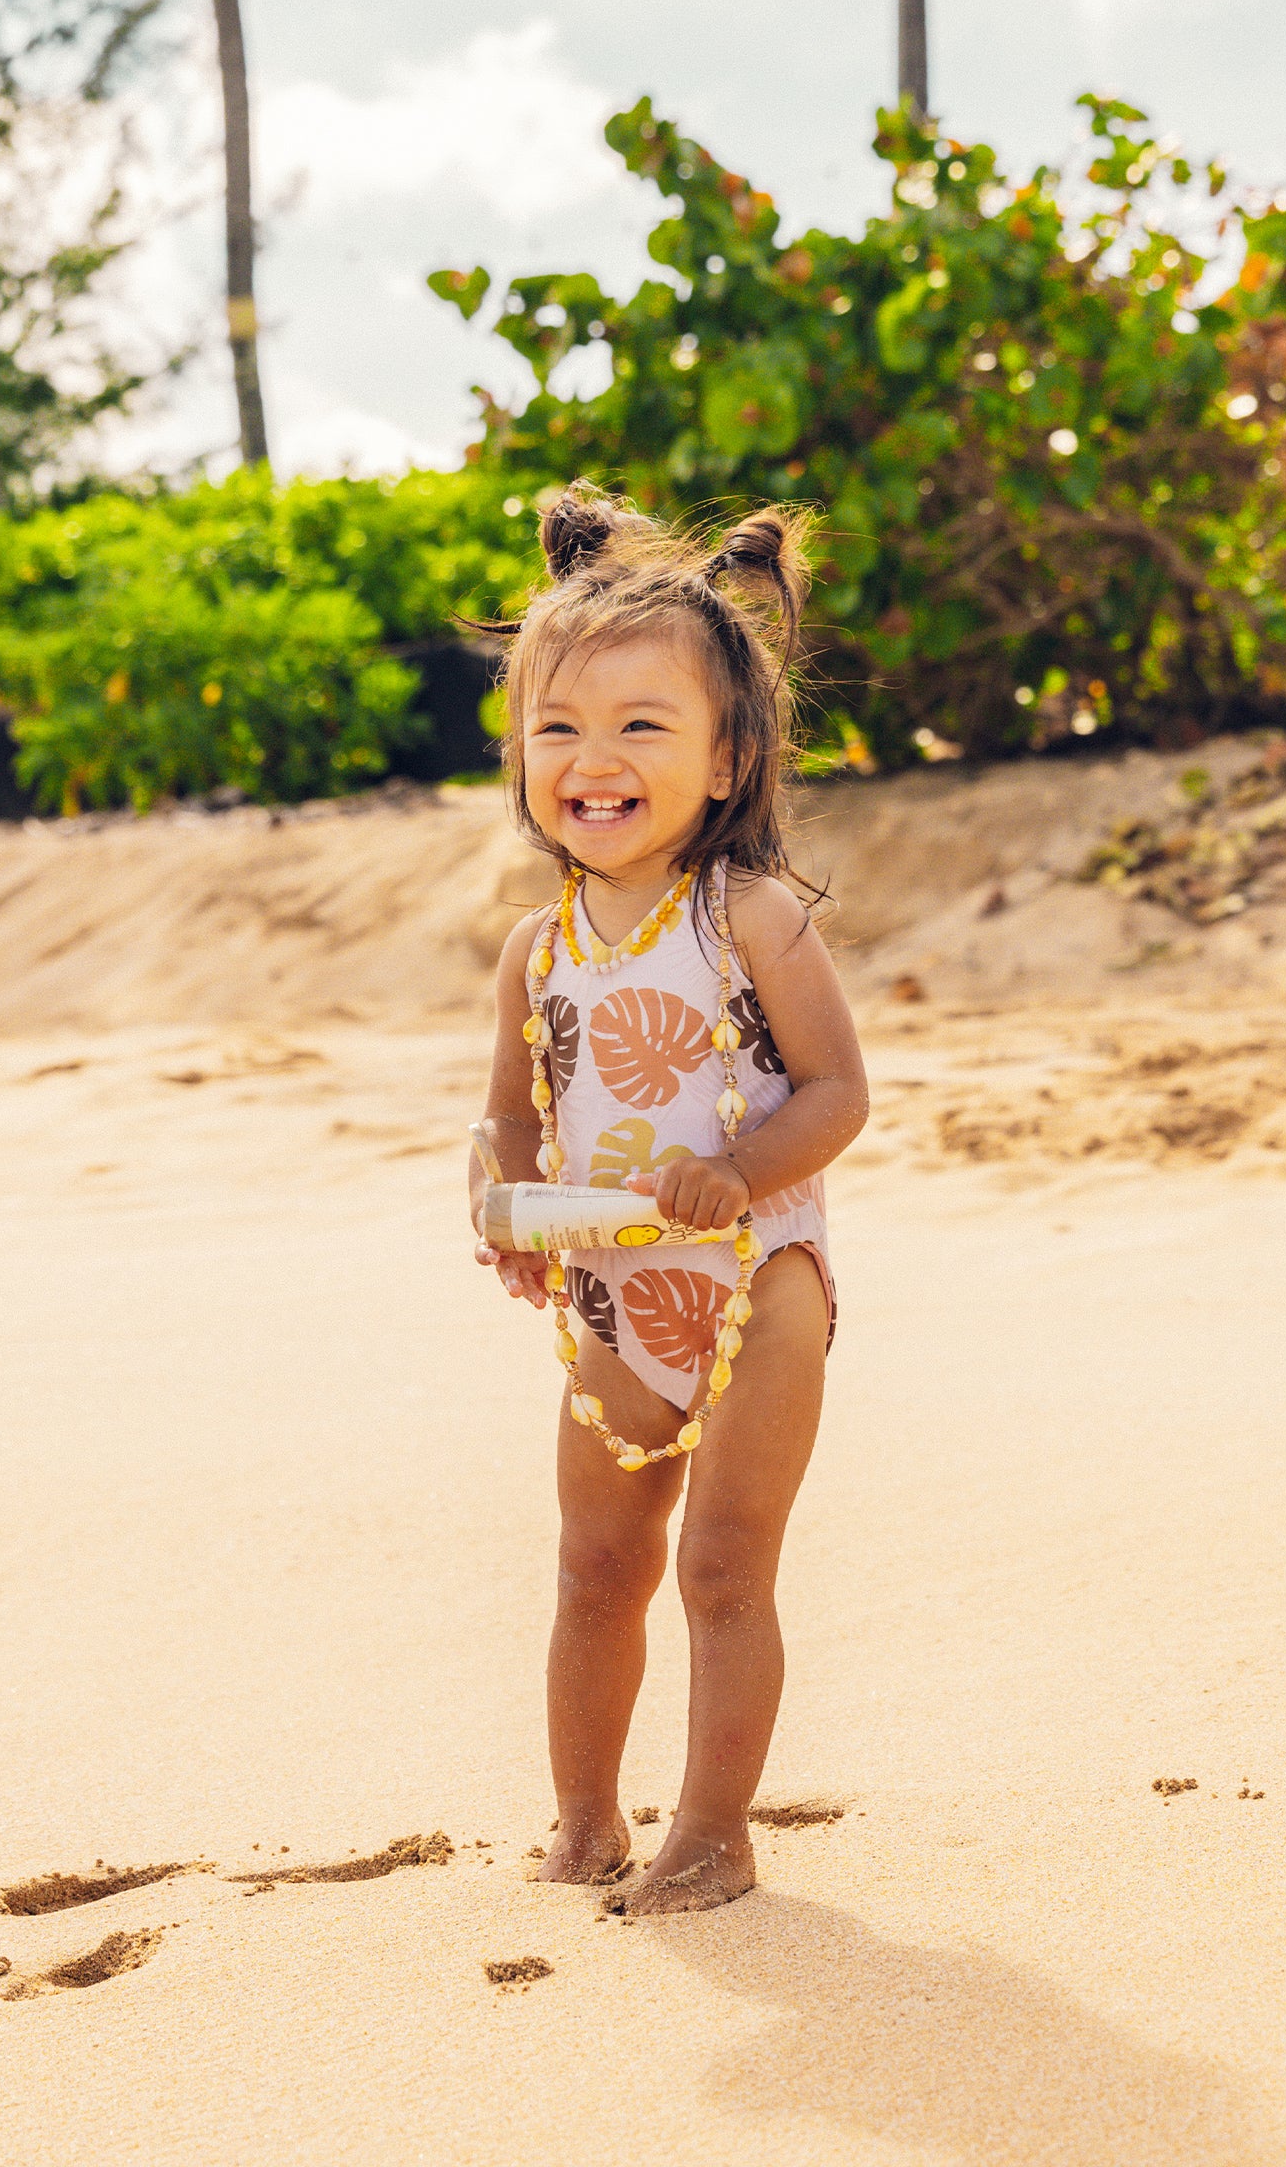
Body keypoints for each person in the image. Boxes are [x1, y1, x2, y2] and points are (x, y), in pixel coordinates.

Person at [471, 485, 869, 1916]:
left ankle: (713, 1829)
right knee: (594, 1564)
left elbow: (836, 1094)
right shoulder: (538, 946)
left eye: (643, 727)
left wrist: (737, 1171)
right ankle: (584, 1823)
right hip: (613, 1299)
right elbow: (512, 1114)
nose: (595, 760)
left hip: (761, 1283)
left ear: (727, 756)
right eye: (559, 729)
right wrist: (501, 1197)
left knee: (719, 1565)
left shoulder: (749, 916)